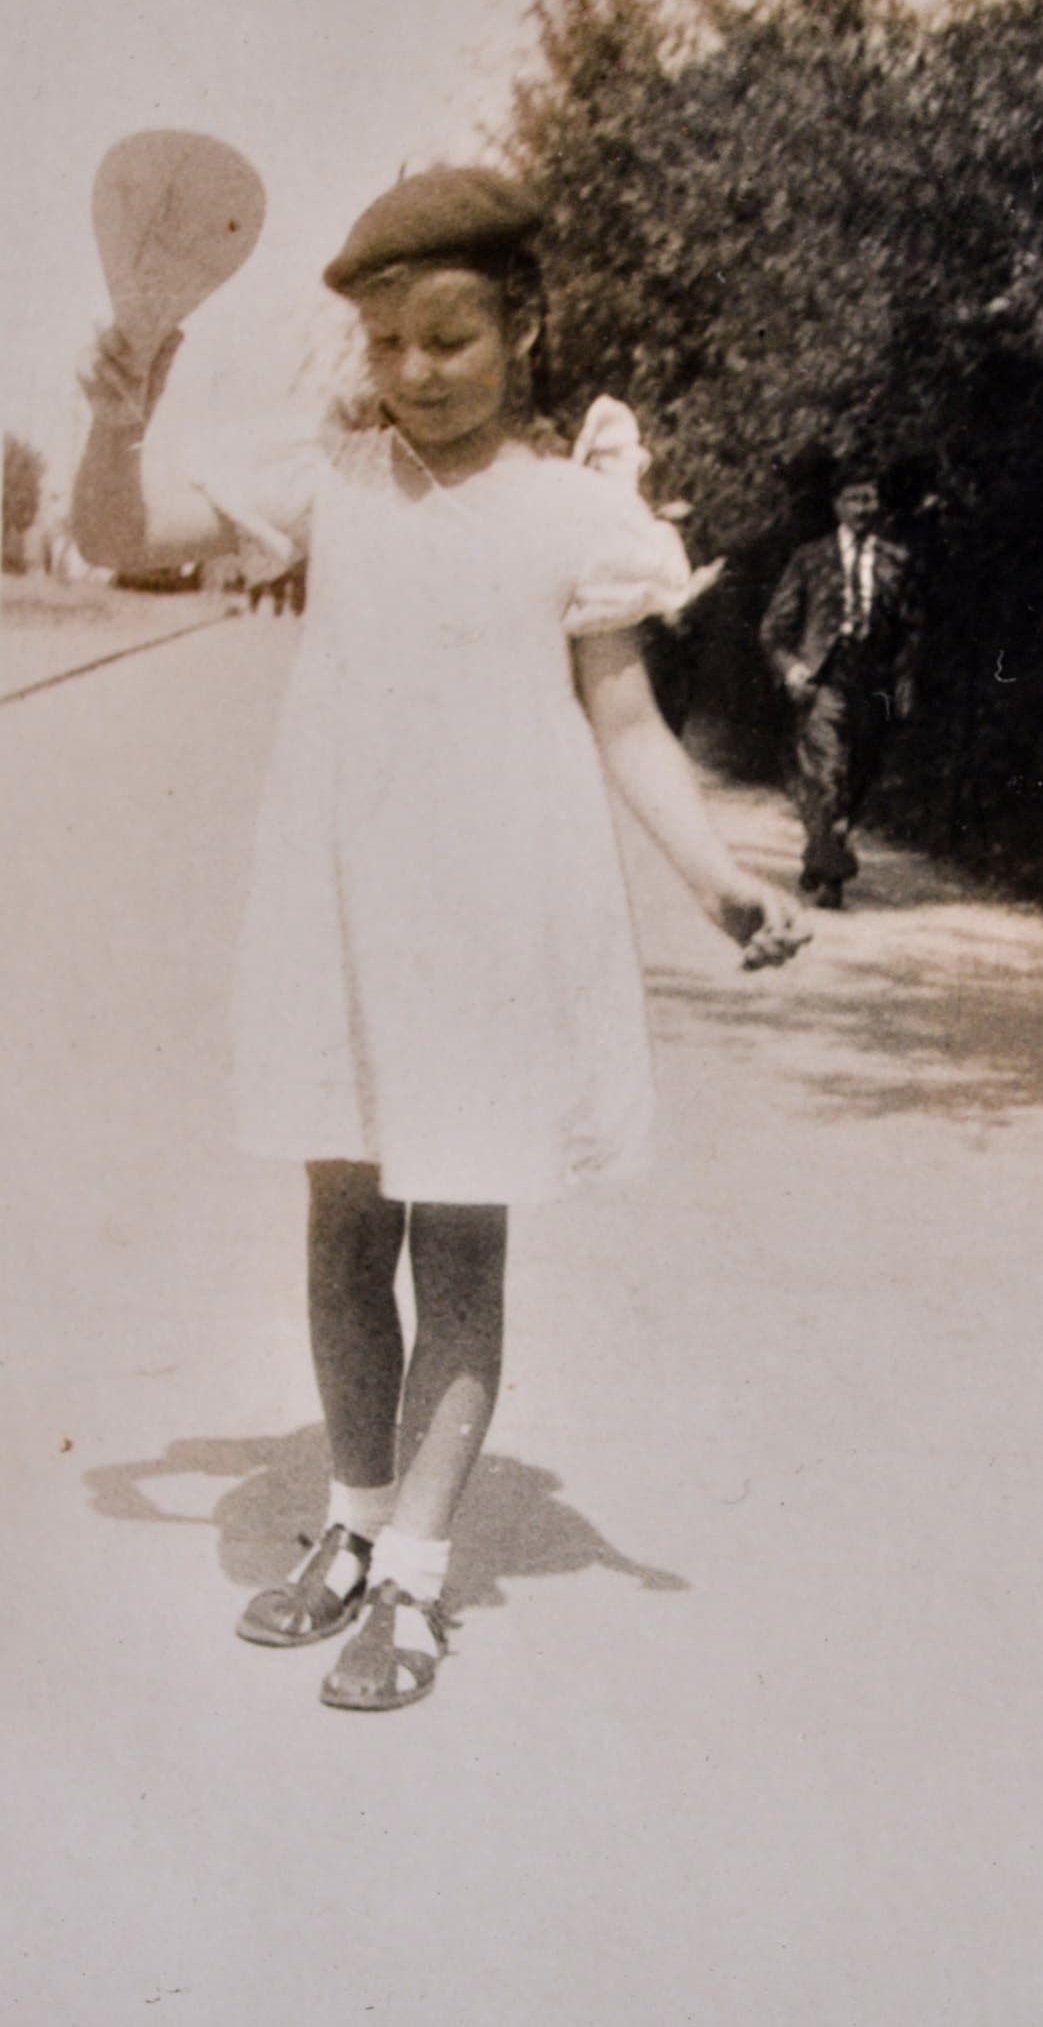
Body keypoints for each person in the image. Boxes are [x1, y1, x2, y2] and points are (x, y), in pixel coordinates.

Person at [72, 164, 807, 1713]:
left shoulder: (575, 516)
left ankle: (415, 1573)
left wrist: (717, 879)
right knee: (344, 1234)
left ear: (522, 325)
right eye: (388, 342)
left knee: (459, 1243)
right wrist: (117, 420)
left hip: (493, 929)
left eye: (451, 338)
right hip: (345, 916)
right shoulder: (334, 483)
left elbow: (627, 720)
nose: (415, 371)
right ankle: (350, 1525)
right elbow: (118, 532)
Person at [759, 456, 921, 907]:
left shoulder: (896, 560)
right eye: (853, 499)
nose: (863, 508)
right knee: (826, 774)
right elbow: (774, 627)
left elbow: (912, 628)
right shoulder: (811, 559)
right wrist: (792, 668)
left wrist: (905, 678)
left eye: (869, 499)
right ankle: (832, 875)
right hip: (824, 680)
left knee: (861, 774)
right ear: (837, 505)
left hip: (874, 681)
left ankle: (820, 854)